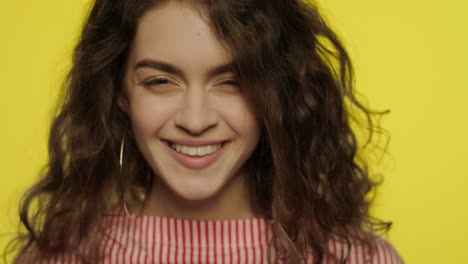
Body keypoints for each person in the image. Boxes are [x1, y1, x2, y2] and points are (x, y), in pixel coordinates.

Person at [8, 0, 403, 263]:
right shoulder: (59, 257)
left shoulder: (357, 259)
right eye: (160, 81)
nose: (195, 121)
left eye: (232, 81)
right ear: (120, 92)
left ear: (275, 92)